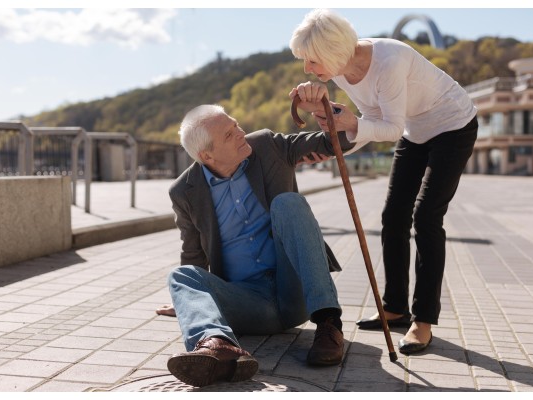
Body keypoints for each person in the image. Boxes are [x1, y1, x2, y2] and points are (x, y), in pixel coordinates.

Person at [289, 9, 478, 355]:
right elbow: (370, 120)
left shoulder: (389, 60)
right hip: (414, 130)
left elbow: (387, 129)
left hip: (453, 125)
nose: (308, 70)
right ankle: (395, 307)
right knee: (393, 217)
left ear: (333, 51)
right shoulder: (344, 70)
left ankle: (423, 321)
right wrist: (336, 143)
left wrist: (349, 124)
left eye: (312, 60)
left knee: (425, 217)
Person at [164, 104, 355, 387]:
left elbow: (331, 143)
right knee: (180, 277)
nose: (241, 133)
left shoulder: (267, 145)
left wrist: (340, 120)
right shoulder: (184, 190)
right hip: (248, 305)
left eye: (236, 125)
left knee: (288, 202)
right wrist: (189, 300)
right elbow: (192, 252)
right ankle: (218, 347)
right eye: (230, 134)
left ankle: (329, 324)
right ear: (206, 155)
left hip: (295, 292)